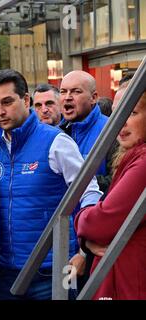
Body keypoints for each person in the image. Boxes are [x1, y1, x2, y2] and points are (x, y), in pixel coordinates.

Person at [0, 69, 102, 300]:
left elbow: (89, 193)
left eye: (7, 102)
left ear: (26, 100)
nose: (0, 111)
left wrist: (83, 251)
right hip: (7, 271)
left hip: (53, 270)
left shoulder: (56, 141)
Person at [75, 90, 146, 300]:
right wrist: (87, 241)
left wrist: (83, 216)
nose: (120, 121)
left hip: (131, 282)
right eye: (116, 113)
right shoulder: (132, 157)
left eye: (131, 112)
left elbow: (99, 223)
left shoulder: (142, 164)